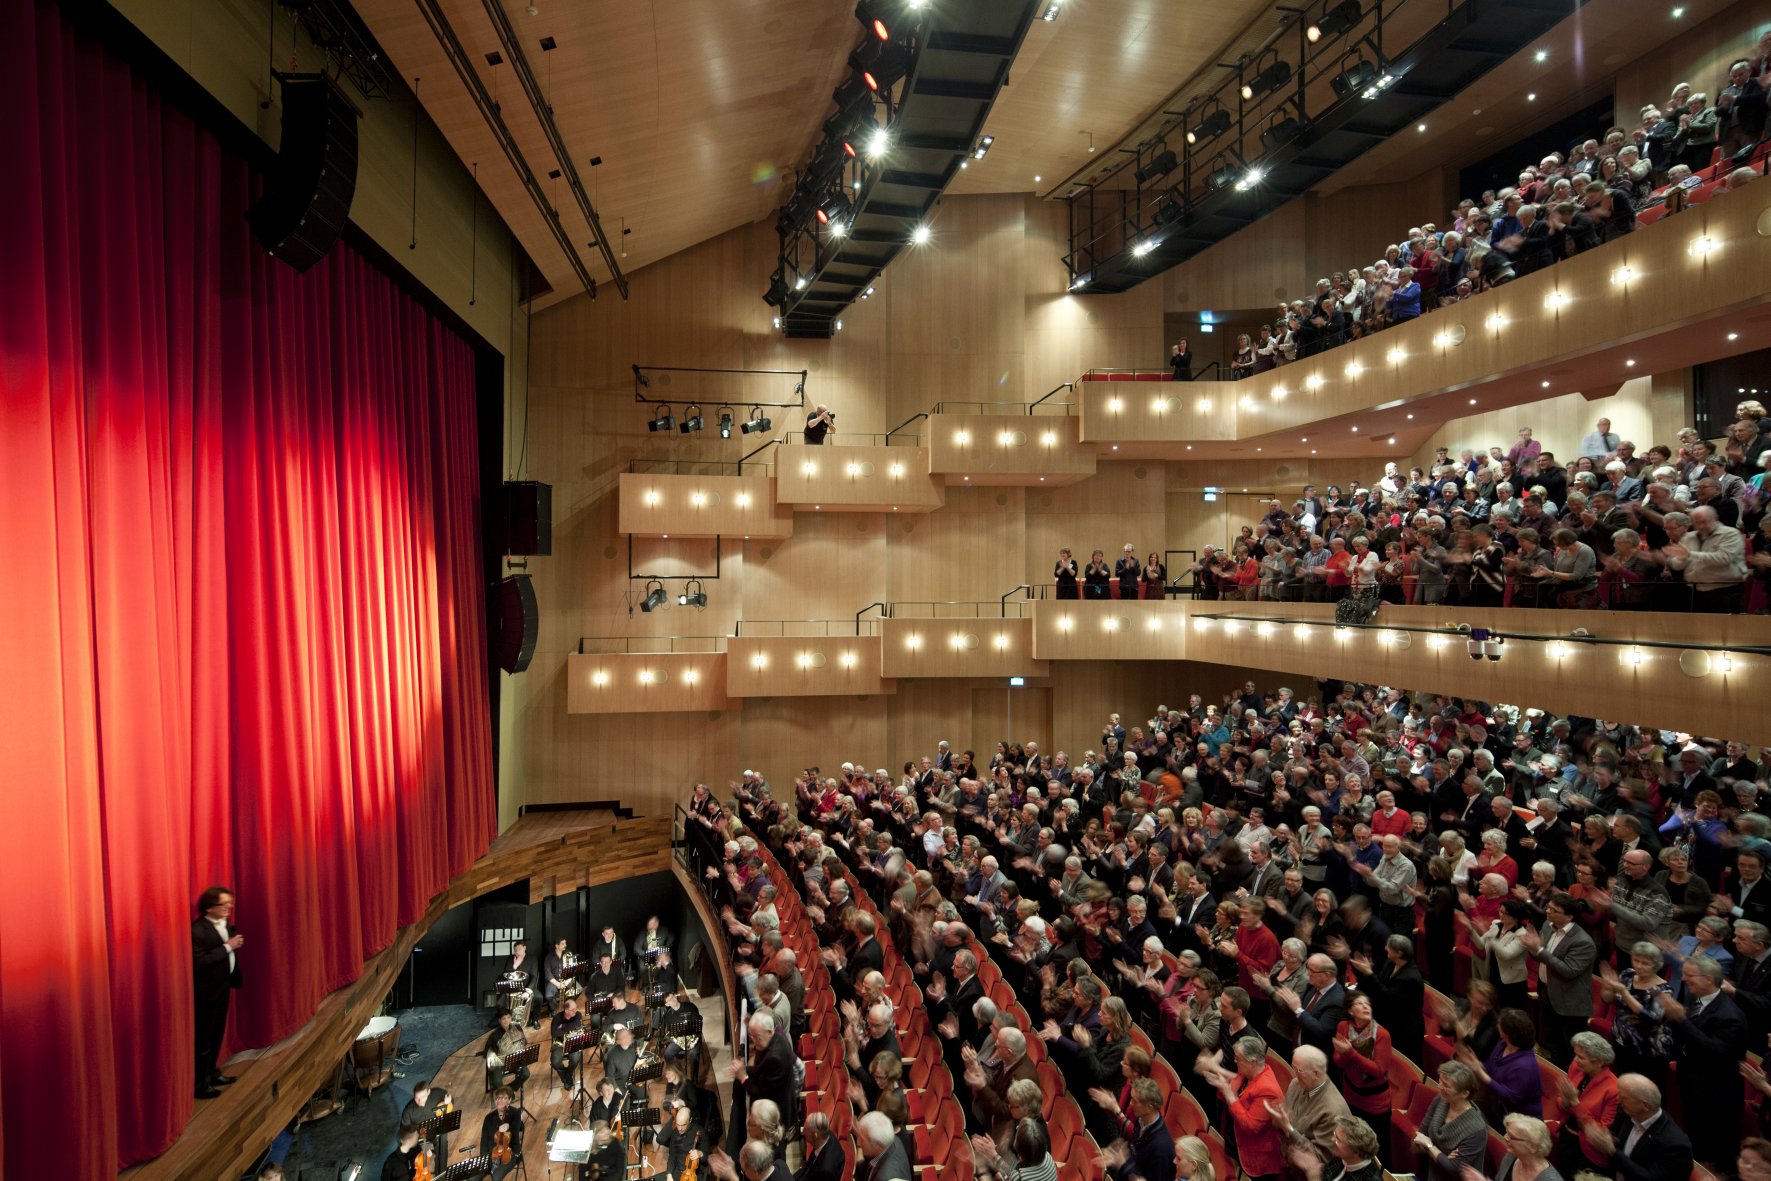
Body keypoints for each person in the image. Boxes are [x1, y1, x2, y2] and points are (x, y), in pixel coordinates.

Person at [1579, 1073, 1692, 1181]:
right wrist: (1604, 1137)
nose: (1619, 1100)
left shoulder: (1675, 1145)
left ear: (1645, 1106)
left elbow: (1651, 1179)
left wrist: (1612, 1151)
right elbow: (1613, 1133)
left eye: (1624, 1098)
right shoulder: (1628, 1111)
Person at [192, 885, 245, 1099]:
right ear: (209, 907)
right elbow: (199, 962)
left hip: (223, 987)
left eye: (229, 903)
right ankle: (201, 1084)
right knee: (204, 1039)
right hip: (206, 993)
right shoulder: (197, 930)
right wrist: (228, 947)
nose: (228, 907)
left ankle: (213, 1072)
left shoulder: (224, 924)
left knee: (216, 1035)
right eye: (223, 904)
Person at [1332, 994, 1393, 1166]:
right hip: (1351, 1094)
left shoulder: (1381, 1034)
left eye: (1368, 1004)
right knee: (1353, 1141)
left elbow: (1379, 1070)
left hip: (1375, 1102)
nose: (1366, 1007)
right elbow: (1338, 1062)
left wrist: (1350, 1053)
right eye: (1360, 1004)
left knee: (1376, 1148)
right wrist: (1344, 1054)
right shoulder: (1343, 1026)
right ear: (1351, 1010)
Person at [1412, 1062, 1486, 1181]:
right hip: (1432, 1175)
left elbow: (1455, 1170)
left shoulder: (1476, 1129)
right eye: (1440, 1081)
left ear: (1464, 1093)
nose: (1439, 1086)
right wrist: (1444, 1157)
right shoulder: (1440, 1100)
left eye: (1446, 1085)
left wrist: (1430, 1145)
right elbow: (1419, 1139)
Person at [1490, 1113, 1562, 1181]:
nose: (1505, 1138)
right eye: (1507, 1133)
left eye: (1511, 1136)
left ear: (1533, 1147)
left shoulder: (1550, 1179)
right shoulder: (1511, 1156)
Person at [654, 1100, 713, 1181]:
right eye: (678, 1125)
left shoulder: (701, 1132)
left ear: (690, 1120)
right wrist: (669, 1174)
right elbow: (672, 1155)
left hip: (695, 1174)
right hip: (679, 1170)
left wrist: (700, 1154)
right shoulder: (675, 1132)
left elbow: (708, 1157)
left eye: (683, 1125)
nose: (680, 1129)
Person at [480, 1087, 525, 1181]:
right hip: (492, 1154)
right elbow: (483, 1142)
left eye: (504, 1098)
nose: (500, 1101)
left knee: (496, 1176)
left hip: (510, 1154)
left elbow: (515, 1131)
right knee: (472, 1177)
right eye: (498, 1098)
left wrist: (508, 1126)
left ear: (509, 1101)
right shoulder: (489, 1118)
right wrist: (483, 1159)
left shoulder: (515, 1114)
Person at [484, 1009, 532, 1094]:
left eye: (508, 1017)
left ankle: (509, 1090)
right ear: (499, 1021)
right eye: (503, 1019)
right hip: (501, 1062)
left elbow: (524, 1042)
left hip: (516, 1058)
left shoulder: (517, 1027)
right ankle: (505, 1093)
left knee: (525, 1074)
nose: (506, 1021)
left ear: (511, 1018)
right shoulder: (495, 1036)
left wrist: (522, 1040)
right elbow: (487, 1052)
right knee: (497, 1081)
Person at [855, 1110, 911, 1181]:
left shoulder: (885, 1178)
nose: (859, 1142)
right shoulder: (892, 1139)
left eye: (862, 1139)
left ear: (877, 1145)